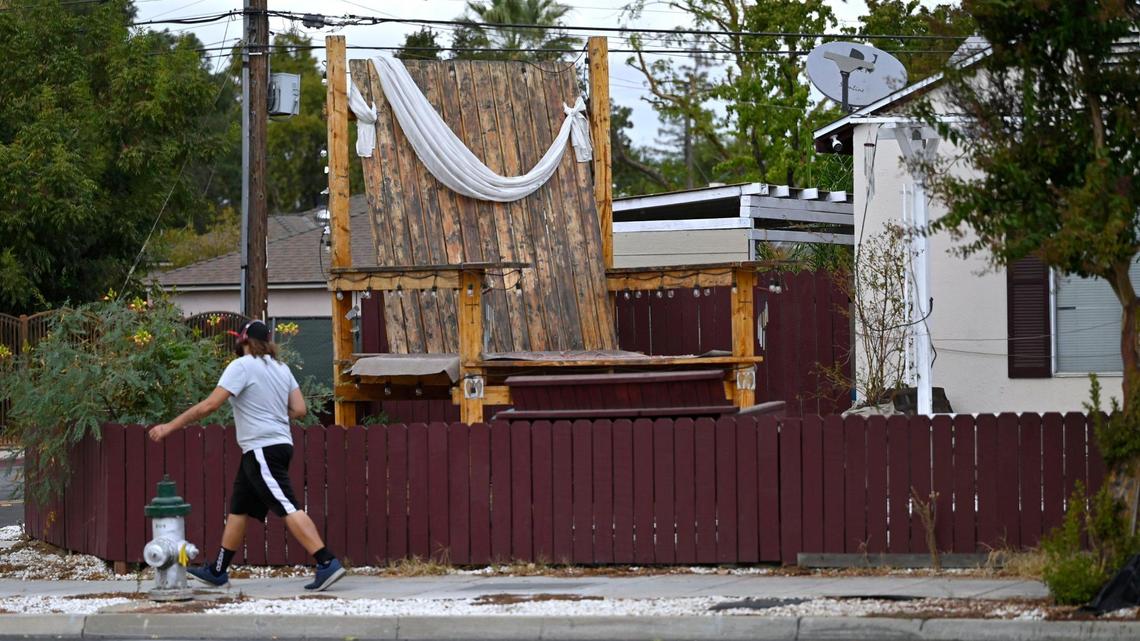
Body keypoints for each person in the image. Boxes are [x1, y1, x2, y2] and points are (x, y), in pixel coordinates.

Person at [149, 319, 345, 592]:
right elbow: (299, 409)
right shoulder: (281, 368)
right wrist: (273, 413)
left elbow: (209, 405)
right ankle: (218, 570)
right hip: (275, 445)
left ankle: (326, 561)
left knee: (287, 505)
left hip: (262, 448)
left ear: (244, 341)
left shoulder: (241, 366)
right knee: (239, 508)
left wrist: (169, 426)